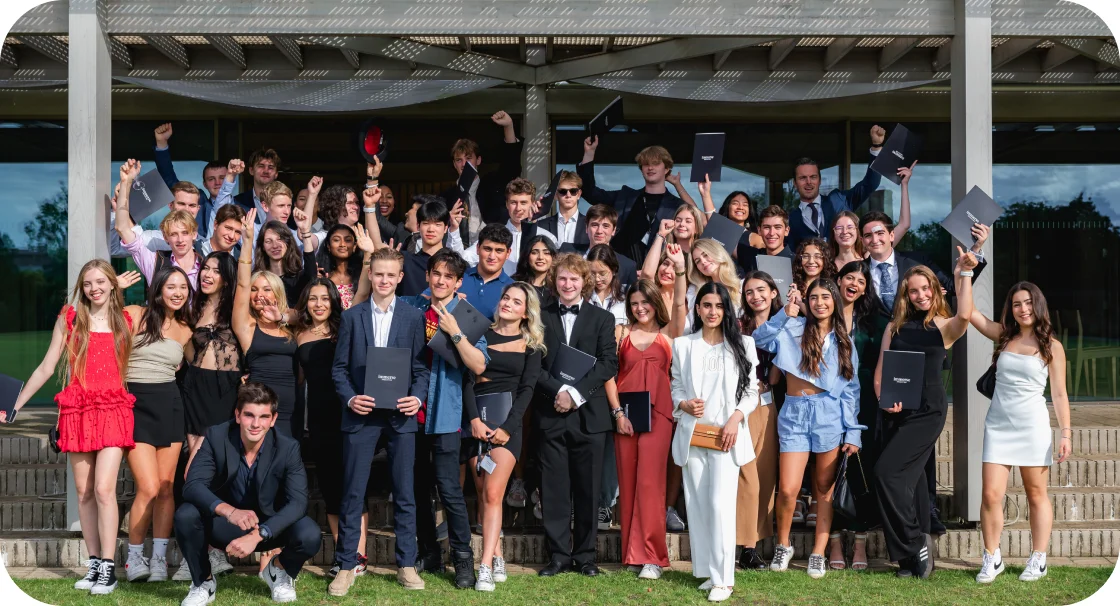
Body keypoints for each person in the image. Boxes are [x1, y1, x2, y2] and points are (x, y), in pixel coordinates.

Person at [1, 260, 136, 595]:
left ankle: (108, 568)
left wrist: (113, 284)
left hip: (114, 410)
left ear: (112, 284)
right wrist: (13, 406)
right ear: (80, 288)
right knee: (85, 492)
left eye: (101, 282)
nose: (95, 289)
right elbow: (47, 366)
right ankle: (93, 565)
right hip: (77, 411)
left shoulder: (128, 317)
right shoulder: (70, 319)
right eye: (88, 283)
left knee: (105, 489)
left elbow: (170, 303)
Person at [328, 247, 431, 595]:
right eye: (379, 274)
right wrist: (350, 397)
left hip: (401, 417)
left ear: (400, 278)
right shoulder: (352, 317)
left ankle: (405, 564)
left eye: (391, 275)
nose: (385, 280)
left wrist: (417, 398)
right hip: (362, 415)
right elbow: (339, 369)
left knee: (405, 493)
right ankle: (345, 565)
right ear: (369, 275)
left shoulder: (413, 317)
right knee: (353, 492)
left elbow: (420, 370)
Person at [874, 252, 978, 579]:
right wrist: (883, 400)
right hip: (897, 411)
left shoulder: (945, 326)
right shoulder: (895, 327)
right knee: (913, 483)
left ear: (934, 289)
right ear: (906, 295)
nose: (920, 295)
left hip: (928, 411)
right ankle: (911, 559)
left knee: (885, 474)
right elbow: (879, 375)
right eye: (913, 291)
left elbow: (966, 314)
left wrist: (962, 274)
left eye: (925, 289)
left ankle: (913, 541)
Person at [751, 278, 863, 579]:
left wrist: (853, 431)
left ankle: (818, 552)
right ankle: (783, 544)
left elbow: (851, 389)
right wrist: (785, 312)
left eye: (826, 297)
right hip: (795, 413)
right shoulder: (793, 327)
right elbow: (759, 339)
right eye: (813, 297)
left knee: (824, 490)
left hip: (829, 415)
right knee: (787, 489)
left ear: (834, 301)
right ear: (806, 301)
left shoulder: (844, 341)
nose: (819, 302)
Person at [174, 382, 321, 606]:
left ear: (273, 420)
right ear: (237, 415)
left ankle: (279, 571)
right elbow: (193, 485)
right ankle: (203, 581)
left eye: (263, 417)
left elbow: (299, 502)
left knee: (309, 533)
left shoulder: (287, 447)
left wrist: (258, 534)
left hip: (269, 527)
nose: (255, 424)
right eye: (249, 415)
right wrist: (229, 511)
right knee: (186, 515)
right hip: (223, 523)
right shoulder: (216, 436)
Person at [970, 283, 1071, 583]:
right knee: (990, 494)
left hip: (1033, 427)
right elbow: (969, 313)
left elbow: (1060, 395)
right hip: (998, 426)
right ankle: (992, 557)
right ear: (1010, 309)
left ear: (1038, 305)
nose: (1023, 309)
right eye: (1016, 304)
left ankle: (1038, 559)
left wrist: (1065, 433)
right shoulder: (1004, 336)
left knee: (1036, 494)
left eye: (1028, 303)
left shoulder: (1052, 346)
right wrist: (964, 271)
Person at [399, 250, 488, 588]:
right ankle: (429, 552)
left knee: (450, 489)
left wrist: (454, 331)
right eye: (436, 273)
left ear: (458, 282)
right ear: (428, 276)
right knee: (418, 488)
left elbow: (479, 365)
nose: (440, 280)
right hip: (410, 412)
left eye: (448, 277)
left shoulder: (466, 315)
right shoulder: (411, 307)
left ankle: (464, 560)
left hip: (447, 414)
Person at [669, 281, 760, 603]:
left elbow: (752, 392)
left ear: (727, 310)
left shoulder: (743, 345)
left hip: (727, 436)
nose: (712, 312)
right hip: (694, 435)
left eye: (719, 306)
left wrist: (736, 419)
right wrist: (683, 405)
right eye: (707, 305)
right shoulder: (682, 345)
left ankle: (725, 579)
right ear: (697, 308)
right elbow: (675, 388)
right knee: (698, 505)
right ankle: (708, 572)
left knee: (721, 505)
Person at [535, 253, 619, 578]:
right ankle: (558, 556)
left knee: (588, 489)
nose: (567, 284)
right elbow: (535, 366)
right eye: (562, 278)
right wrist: (559, 392)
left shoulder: (602, 319)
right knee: (554, 489)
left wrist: (575, 394)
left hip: (589, 417)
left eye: (573, 279)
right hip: (551, 412)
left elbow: (608, 364)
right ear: (554, 282)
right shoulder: (539, 317)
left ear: (584, 282)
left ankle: (585, 557)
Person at [462, 282, 546, 591]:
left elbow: (526, 391)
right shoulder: (480, 335)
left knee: (494, 494)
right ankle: (496, 555)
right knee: (483, 492)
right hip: (476, 424)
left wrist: (508, 428)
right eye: (506, 298)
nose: (508, 303)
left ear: (526, 311)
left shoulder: (531, 345)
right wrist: (472, 419)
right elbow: (468, 380)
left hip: (507, 427)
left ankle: (483, 566)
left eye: (516, 301)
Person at [613, 270, 687, 581]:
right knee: (628, 483)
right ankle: (632, 554)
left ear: (656, 303)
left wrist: (680, 269)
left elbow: (681, 303)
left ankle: (653, 557)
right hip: (627, 416)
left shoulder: (669, 338)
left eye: (645, 302)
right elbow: (608, 375)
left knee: (650, 485)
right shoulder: (621, 334)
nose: (640, 307)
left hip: (659, 416)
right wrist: (617, 414)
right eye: (634, 302)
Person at [120, 267, 193, 584]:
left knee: (165, 488)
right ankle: (134, 557)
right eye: (171, 286)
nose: (178, 292)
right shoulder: (136, 314)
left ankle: (160, 560)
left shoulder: (186, 329)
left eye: (183, 287)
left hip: (171, 406)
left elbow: (202, 368)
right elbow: (99, 321)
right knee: (148, 488)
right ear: (158, 289)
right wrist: (115, 288)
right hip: (135, 405)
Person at [293, 278, 369, 577]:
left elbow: (363, 294)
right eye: (313, 298)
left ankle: (359, 555)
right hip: (319, 420)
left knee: (354, 484)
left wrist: (366, 256)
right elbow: (299, 380)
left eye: (325, 298)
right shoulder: (298, 335)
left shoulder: (345, 325)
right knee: (331, 487)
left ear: (334, 301)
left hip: (349, 414)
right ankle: (343, 554)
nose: (319, 304)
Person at [175, 251, 241, 583]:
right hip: (196, 391)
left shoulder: (236, 309)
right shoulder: (191, 309)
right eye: (205, 268)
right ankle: (195, 554)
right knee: (192, 471)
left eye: (215, 270)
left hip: (227, 393)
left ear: (227, 278)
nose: (207, 274)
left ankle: (214, 549)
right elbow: (186, 352)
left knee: (217, 471)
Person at [827, 261, 887, 570]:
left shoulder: (876, 322)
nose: (854, 283)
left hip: (864, 403)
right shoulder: (822, 315)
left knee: (861, 472)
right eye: (849, 277)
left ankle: (860, 542)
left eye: (861, 280)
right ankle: (835, 541)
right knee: (831, 472)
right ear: (838, 280)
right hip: (827, 405)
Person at [235, 211, 300, 437]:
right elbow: (242, 284)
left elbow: (311, 317)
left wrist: (282, 317)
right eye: (255, 289)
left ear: (277, 292)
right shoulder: (246, 326)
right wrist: (248, 241)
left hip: (291, 409)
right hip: (257, 408)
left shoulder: (289, 325)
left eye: (266, 288)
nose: (259, 294)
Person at [735, 271, 783, 570]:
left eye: (761, 290)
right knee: (747, 478)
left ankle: (753, 546)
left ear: (773, 292)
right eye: (750, 291)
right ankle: (744, 544)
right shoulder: (739, 326)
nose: (756, 296)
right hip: (740, 406)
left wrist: (771, 381)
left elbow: (782, 365)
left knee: (765, 481)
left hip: (768, 406)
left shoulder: (787, 324)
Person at [578, 137, 683, 263]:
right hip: (623, 272)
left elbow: (698, 219)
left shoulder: (677, 205)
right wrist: (589, 153)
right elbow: (590, 193)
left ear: (666, 169)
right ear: (641, 169)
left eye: (655, 163)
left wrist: (678, 185)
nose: (650, 168)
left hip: (661, 273)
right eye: (646, 164)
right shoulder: (625, 197)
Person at [786, 125, 886, 250]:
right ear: (795, 183)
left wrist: (876, 147)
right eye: (802, 178)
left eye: (813, 177)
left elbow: (871, 183)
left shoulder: (838, 200)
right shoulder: (790, 219)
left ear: (820, 180)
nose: (808, 182)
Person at [585, 244, 628, 530]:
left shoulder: (626, 301)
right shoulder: (580, 298)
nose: (598, 278)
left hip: (623, 378)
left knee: (614, 448)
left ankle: (605, 504)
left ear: (614, 272)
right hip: (589, 380)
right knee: (591, 446)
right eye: (592, 273)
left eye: (603, 273)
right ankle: (587, 503)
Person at [115, 159, 202, 290]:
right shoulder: (156, 263)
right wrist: (126, 184)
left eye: (185, 233)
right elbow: (124, 229)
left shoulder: (207, 262)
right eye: (173, 234)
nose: (180, 240)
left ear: (194, 234)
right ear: (166, 237)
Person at [439, 110, 523, 245]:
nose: (464, 164)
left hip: (492, 249)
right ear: (454, 164)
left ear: (478, 160)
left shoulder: (492, 183)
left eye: (468, 158)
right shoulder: (446, 197)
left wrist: (508, 126)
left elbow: (511, 166)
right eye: (459, 160)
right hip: (459, 253)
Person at [830, 163, 913, 271]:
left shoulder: (871, 255)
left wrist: (904, 184)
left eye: (850, 227)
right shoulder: (827, 264)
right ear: (833, 232)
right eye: (839, 228)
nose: (845, 231)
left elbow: (904, 225)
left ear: (858, 233)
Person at [153, 122, 225, 238]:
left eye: (222, 178)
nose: (218, 183)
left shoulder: (243, 206)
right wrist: (162, 143)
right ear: (204, 184)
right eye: (211, 179)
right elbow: (169, 177)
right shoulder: (197, 200)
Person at [453, 223, 515, 320]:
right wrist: (448, 301)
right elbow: (425, 302)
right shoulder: (456, 277)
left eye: (499, 251)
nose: (492, 256)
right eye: (487, 249)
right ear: (478, 249)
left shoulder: (514, 289)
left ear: (508, 253)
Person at [253, 218, 317, 309]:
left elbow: (312, 275)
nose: (275, 245)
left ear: (288, 242)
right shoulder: (257, 279)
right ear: (262, 246)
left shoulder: (299, 278)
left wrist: (305, 233)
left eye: (280, 239)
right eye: (268, 241)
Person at [398, 197, 451, 297]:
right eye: (426, 223)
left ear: (445, 228)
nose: (431, 229)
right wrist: (369, 208)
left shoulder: (456, 264)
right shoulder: (405, 261)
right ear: (418, 226)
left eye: (437, 224)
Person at [687, 238, 743, 330]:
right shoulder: (696, 290)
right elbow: (692, 323)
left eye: (705, 255)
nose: (703, 262)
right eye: (698, 261)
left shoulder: (742, 285)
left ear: (717, 252)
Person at [640, 205, 706, 281]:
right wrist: (661, 234)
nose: (682, 224)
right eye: (678, 220)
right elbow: (647, 274)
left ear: (697, 228)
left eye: (688, 221)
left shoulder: (701, 256)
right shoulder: (662, 252)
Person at [582, 204, 639, 287]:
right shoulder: (567, 251)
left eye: (605, 226)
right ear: (587, 228)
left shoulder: (628, 266)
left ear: (613, 230)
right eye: (595, 225)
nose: (599, 231)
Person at [536, 170, 589, 249]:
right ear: (556, 195)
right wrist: (531, 218)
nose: (568, 195)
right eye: (563, 191)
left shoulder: (590, 225)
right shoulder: (541, 225)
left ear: (579, 194)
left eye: (573, 191)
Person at [318, 223, 364, 310]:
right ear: (328, 246)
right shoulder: (322, 276)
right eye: (336, 240)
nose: (342, 244)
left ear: (354, 246)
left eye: (348, 240)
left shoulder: (363, 275)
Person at [737, 205, 795, 273]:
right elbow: (725, 238)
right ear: (759, 230)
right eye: (767, 227)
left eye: (777, 227)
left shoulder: (798, 263)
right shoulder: (751, 256)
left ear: (786, 231)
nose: (772, 233)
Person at [512, 234, 557, 305]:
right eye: (534, 253)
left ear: (553, 257)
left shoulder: (558, 285)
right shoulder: (514, 284)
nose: (540, 257)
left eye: (546, 253)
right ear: (527, 256)